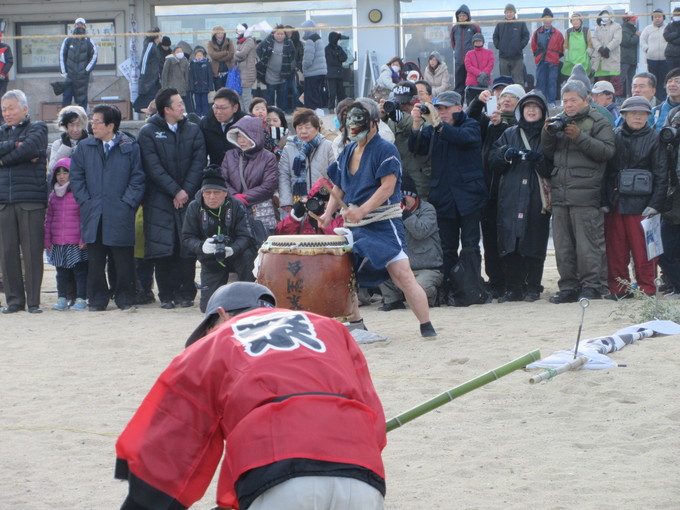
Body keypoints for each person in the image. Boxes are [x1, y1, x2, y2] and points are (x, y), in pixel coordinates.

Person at [115, 281, 387, 510]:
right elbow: (372, 416)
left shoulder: (215, 341)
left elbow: (173, 438)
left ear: (221, 315)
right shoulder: (331, 328)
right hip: (362, 474)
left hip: (276, 473)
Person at [320, 98, 436, 337]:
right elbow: (339, 187)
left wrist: (362, 210)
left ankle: (426, 326)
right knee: (345, 275)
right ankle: (356, 324)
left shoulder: (385, 149)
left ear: (374, 123)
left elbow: (387, 187)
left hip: (383, 222)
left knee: (402, 274)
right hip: (354, 225)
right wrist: (327, 214)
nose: (353, 129)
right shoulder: (349, 149)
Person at [410, 91, 487, 307]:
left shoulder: (470, 125)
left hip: (469, 197)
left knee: (471, 245)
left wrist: (438, 126)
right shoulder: (433, 128)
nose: (441, 112)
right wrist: (417, 124)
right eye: (438, 108)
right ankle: (448, 290)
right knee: (447, 247)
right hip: (444, 196)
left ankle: (471, 289)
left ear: (458, 108)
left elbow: (462, 138)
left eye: (445, 108)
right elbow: (417, 148)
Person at [541, 80, 616, 302]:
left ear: (586, 100)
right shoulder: (560, 119)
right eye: (565, 101)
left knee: (588, 245)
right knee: (563, 246)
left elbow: (607, 152)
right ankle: (568, 287)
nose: (568, 105)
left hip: (586, 193)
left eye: (573, 100)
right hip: (561, 192)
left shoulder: (598, 121)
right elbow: (547, 151)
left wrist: (579, 137)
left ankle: (591, 286)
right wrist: (547, 132)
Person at [70, 104, 145, 311]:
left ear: (111, 125)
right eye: (92, 122)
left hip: (120, 210)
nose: (92, 126)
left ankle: (124, 297)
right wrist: (86, 201)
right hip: (93, 210)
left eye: (97, 122)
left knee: (122, 259)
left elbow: (138, 178)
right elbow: (76, 178)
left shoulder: (129, 145)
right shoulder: (85, 147)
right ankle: (97, 299)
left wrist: (127, 203)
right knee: (95, 259)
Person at [138, 88, 207, 309]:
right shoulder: (148, 132)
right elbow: (152, 166)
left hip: (188, 198)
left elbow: (198, 163)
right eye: (178, 104)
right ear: (167, 109)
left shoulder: (193, 130)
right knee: (162, 247)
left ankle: (186, 292)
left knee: (186, 247)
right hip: (159, 199)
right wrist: (174, 191)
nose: (182, 106)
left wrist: (185, 191)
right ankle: (166, 294)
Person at [490, 90, 551, 302]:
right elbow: (493, 160)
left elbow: (555, 165)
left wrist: (539, 160)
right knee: (509, 241)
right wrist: (504, 154)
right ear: (520, 111)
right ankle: (512, 288)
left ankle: (533, 287)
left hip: (536, 196)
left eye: (536, 107)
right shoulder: (509, 133)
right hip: (511, 196)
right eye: (527, 106)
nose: (531, 110)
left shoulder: (548, 134)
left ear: (542, 111)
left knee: (535, 239)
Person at [603, 96, 667, 298]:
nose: (638, 117)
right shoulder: (614, 136)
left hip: (643, 205)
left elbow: (661, 174)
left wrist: (655, 204)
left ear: (648, 116)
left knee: (645, 252)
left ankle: (647, 289)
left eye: (642, 113)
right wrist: (604, 201)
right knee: (616, 251)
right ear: (624, 115)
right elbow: (606, 173)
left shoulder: (655, 138)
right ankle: (618, 289)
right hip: (616, 202)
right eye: (633, 113)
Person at [466, 83, 525, 299]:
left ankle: (513, 282)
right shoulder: (489, 121)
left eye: (512, 97)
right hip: (487, 191)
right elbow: (469, 120)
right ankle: (495, 281)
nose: (506, 100)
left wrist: (500, 125)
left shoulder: (520, 123)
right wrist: (478, 102)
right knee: (490, 239)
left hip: (511, 192)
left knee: (509, 238)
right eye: (504, 96)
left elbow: (504, 148)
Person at [0, 89, 48, 314]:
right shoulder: (2, 131)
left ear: (24, 109)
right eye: (3, 109)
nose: (6, 113)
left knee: (32, 252)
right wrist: (16, 147)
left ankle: (34, 301)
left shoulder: (38, 128)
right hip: (3, 200)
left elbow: (31, 147)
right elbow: (24, 151)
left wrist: (4, 159)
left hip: (30, 198)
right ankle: (14, 301)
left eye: (10, 108)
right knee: (7, 252)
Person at [181, 167, 256, 311]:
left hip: (237, 256)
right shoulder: (194, 207)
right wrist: (202, 246)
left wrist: (233, 249)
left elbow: (247, 235)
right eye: (207, 193)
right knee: (208, 308)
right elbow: (187, 237)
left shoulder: (236, 205)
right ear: (202, 193)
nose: (212, 197)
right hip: (210, 259)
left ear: (225, 193)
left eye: (217, 192)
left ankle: (249, 300)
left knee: (248, 256)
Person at [379, 175, 443, 310]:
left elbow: (421, 232)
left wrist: (406, 213)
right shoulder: (392, 211)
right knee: (378, 266)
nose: (402, 201)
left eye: (405, 197)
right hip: (403, 268)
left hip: (427, 269)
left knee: (421, 288)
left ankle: (434, 296)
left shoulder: (428, 209)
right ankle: (394, 300)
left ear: (414, 196)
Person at [44, 158, 88, 311]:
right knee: (61, 272)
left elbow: (84, 218)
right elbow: (48, 219)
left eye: (65, 172)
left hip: (76, 241)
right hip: (58, 242)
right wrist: (47, 240)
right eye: (58, 173)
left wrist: (84, 238)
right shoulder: (53, 196)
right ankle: (62, 298)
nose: (62, 176)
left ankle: (81, 298)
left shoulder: (78, 194)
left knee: (80, 271)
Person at [221, 116, 279, 232]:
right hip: (235, 209)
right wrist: (234, 197)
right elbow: (222, 180)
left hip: (260, 210)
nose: (241, 141)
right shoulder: (230, 155)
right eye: (238, 136)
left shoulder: (268, 157)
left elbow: (269, 186)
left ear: (254, 136)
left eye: (244, 137)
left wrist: (244, 198)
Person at [381, 81, 431, 199]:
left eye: (405, 102)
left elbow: (422, 128)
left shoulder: (426, 112)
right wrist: (381, 119)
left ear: (415, 100)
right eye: (398, 102)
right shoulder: (392, 119)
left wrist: (402, 119)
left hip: (420, 176)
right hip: (397, 177)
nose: (402, 106)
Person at [278, 108, 335, 212]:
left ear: (317, 128)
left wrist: (331, 201)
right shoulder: (288, 148)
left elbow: (334, 176)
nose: (303, 131)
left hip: (322, 201)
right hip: (298, 202)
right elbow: (283, 176)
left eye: (308, 127)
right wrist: (286, 202)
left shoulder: (328, 147)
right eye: (299, 127)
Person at [276, 177, 344, 234]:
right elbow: (281, 234)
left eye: (325, 201)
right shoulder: (304, 218)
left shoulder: (339, 217)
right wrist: (294, 217)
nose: (320, 204)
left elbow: (340, 236)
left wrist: (323, 216)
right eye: (316, 200)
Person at [200, 87, 246, 165]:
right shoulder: (206, 123)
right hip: (216, 170)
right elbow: (201, 154)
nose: (218, 112)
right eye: (216, 107)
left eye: (223, 108)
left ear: (235, 108)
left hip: (241, 171)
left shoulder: (246, 122)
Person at [59, 18, 97, 110]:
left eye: (82, 24)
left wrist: (86, 70)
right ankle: (64, 118)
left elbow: (94, 56)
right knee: (67, 96)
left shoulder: (89, 41)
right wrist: (64, 72)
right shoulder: (68, 40)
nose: (79, 26)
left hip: (82, 77)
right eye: (77, 24)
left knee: (82, 99)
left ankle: (83, 119)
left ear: (85, 26)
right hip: (70, 76)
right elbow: (62, 55)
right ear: (74, 26)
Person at [256, 25, 296, 113]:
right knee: (269, 94)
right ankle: (270, 111)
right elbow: (258, 50)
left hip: (283, 73)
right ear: (274, 33)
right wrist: (264, 60)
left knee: (282, 95)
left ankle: (281, 112)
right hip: (270, 73)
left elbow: (293, 54)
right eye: (278, 34)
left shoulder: (289, 42)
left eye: (282, 34)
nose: (280, 36)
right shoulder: (268, 40)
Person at [531, 9, 564, 105]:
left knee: (552, 82)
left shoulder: (557, 33)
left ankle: (551, 102)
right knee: (540, 82)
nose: (547, 20)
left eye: (549, 18)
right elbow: (533, 46)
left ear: (552, 19)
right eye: (545, 18)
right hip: (541, 60)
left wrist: (555, 56)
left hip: (553, 62)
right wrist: (538, 55)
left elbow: (561, 47)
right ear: (542, 19)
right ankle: (541, 102)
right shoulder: (537, 32)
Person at [492, 4, 529, 85]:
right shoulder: (500, 25)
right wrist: (499, 46)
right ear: (505, 13)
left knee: (518, 81)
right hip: (503, 57)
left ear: (514, 12)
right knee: (504, 82)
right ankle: (505, 97)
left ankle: (519, 97)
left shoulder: (520, 24)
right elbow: (495, 36)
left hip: (517, 57)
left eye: (511, 12)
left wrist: (520, 46)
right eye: (507, 12)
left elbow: (526, 36)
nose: (509, 14)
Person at [591, 7, 623, 97]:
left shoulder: (617, 26)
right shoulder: (598, 27)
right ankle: (602, 97)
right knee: (602, 82)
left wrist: (608, 48)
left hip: (612, 57)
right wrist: (600, 48)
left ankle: (616, 97)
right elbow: (594, 39)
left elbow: (617, 39)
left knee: (615, 81)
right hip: (601, 58)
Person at [450, 4, 481, 97]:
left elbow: (479, 42)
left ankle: (472, 105)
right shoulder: (454, 28)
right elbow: (453, 43)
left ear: (468, 16)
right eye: (460, 16)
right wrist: (457, 52)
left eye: (464, 15)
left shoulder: (474, 27)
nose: (462, 17)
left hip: (471, 62)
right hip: (459, 61)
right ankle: (459, 104)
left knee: (472, 84)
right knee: (459, 85)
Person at [48, 105, 88, 172]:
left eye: (78, 125)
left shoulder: (90, 143)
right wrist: (66, 147)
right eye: (71, 125)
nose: (75, 129)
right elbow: (52, 168)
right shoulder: (58, 144)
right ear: (66, 126)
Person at [641, 9, 668, 102]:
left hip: (665, 59)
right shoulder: (648, 29)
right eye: (655, 17)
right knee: (653, 79)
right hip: (652, 58)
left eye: (659, 16)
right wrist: (646, 49)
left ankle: (663, 98)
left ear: (663, 17)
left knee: (664, 79)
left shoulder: (667, 28)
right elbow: (642, 40)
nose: (657, 19)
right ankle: (654, 99)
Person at [301, 20, 327, 112]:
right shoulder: (318, 39)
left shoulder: (310, 40)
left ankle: (312, 113)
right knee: (318, 93)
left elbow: (308, 58)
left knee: (311, 96)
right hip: (321, 71)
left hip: (312, 72)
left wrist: (304, 68)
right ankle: (319, 111)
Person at [135, 28, 162, 113]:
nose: (161, 37)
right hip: (148, 77)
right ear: (155, 37)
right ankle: (141, 108)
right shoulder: (150, 45)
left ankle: (149, 111)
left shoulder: (155, 47)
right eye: (160, 35)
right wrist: (143, 75)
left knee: (154, 96)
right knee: (147, 96)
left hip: (154, 77)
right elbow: (144, 60)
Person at [561, 13, 592, 81]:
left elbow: (590, 43)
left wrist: (589, 51)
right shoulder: (568, 32)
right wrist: (566, 52)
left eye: (577, 20)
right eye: (573, 20)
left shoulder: (586, 30)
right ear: (571, 22)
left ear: (581, 21)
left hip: (583, 60)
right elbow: (565, 44)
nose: (575, 22)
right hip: (571, 61)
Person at [464, 33, 494, 104]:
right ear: (473, 43)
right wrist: (480, 73)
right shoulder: (469, 53)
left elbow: (491, 64)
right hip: (472, 84)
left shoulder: (489, 52)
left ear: (483, 42)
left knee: (487, 106)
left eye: (479, 41)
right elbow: (468, 66)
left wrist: (484, 73)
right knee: (471, 105)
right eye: (476, 41)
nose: (478, 43)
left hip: (485, 84)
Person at [234, 24, 257, 111]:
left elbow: (242, 54)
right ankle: (243, 115)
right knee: (240, 96)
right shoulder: (240, 42)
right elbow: (238, 55)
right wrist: (236, 53)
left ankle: (249, 115)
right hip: (241, 73)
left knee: (246, 97)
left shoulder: (249, 41)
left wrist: (235, 53)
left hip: (248, 73)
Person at [325, 31, 349, 112]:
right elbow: (330, 61)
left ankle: (341, 107)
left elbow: (345, 57)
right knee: (332, 92)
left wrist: (337, 58)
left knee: (340, 92)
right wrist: (338, 59)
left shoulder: (339, 48)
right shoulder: (327, 49)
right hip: (331, 74)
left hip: (339, 73)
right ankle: (331, 107)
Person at [207, 25, 234, 91]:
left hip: (228, 71)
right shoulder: (210, 43)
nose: (220, 35)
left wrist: (218, 58)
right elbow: (213, 55)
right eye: (218, 33)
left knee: (229, 92)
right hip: (217, 73)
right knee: (219, 92)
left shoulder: (229, 41)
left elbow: (231, 54)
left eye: (222, 33)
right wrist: (224, 52)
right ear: (214, 35)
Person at [620, 12, 640, 98]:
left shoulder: (632, 28)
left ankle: (631, 96)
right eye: (633, 20)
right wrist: (636, 36)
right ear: (627, 20)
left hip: (632, 58)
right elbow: (627, 42)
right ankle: (621, 96)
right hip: (625, 59)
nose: (635, 21)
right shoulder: (623, 29)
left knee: (631, 79)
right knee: (623, 79)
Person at [189, 47, 211, 117]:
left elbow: (210, 75)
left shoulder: (207, 64)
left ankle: (205, 115)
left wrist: (210, 86)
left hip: (205, 86)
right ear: (195, 56)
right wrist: (191, 87)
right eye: (197, 55)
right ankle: (198, 115)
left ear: (203, 56)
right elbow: (191, 77)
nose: (199, 57)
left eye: (200, 55)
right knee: (197, 102)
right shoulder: (192, 64)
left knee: (205, 102)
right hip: (196, 87)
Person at [0, 31, 14, 124]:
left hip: (2, 78)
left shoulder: (5, 47)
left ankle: (2, 119)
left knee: (1, 98)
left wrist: (3, 73)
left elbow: (9, 61)